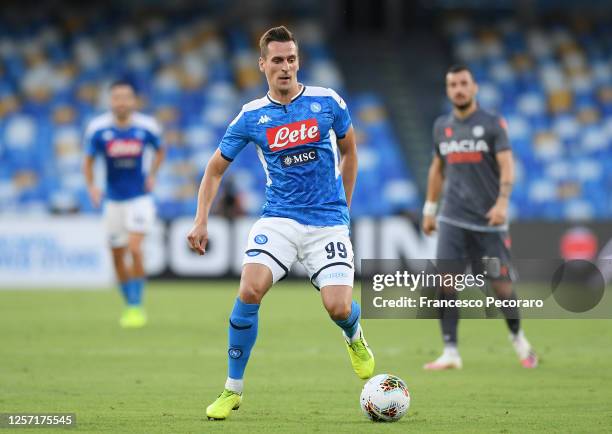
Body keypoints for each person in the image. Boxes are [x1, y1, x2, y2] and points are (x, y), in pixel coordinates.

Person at [187, 26, 374, 420]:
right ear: (262, 65)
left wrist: (344, 209)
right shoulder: (252, 116)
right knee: (250, 289)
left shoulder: (328, 103)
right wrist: (201, 219)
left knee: (338, 307)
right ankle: (231, 389)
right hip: (279, 218)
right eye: (277, 60)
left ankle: (354, 337)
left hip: (327, 222)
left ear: (298, 61)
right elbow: (215, 169)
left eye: (291, 59)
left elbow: (350, 152)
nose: (285, 67)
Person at [422, 64, 538, 370]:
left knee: (501, 287)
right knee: (445, 282)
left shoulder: (492, 124)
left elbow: (507, 165)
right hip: (452, 217)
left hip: (489, 220)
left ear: (474, 88)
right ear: (448, 90)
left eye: (463, 83)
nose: (458, 89)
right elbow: (437, 168)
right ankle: (450, 352)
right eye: (453, 85)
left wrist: (502, 203)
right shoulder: (441, 126)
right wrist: (430, 209)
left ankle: (519, 339)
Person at [83, 80, 165, 328]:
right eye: (117, 97)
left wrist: (152, 174)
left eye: (126, 97)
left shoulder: (146, 127)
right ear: (110, 101)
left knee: (135, 248)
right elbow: (88, 160)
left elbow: (160, 150)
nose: (121, 102)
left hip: (139, 197)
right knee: (117, 256)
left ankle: (136, 305)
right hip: (113, 201)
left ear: (134, 101)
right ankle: (130, 302)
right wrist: (92, 186)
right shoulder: (98, 129)